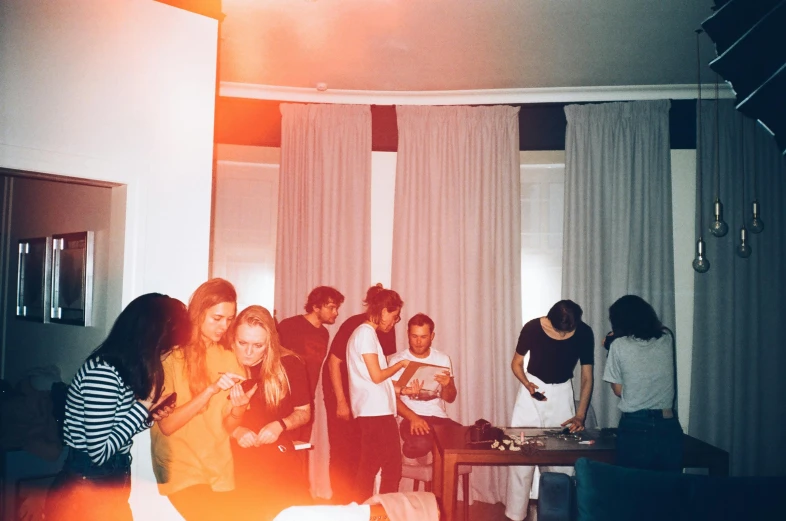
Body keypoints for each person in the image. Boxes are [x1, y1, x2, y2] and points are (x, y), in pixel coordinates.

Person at [44, 293, 190, 521]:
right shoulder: (103, 374)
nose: (163, 354)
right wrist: (143, 407)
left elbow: (114, 431)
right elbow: (99, 453)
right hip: (86, 490)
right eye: (164, 347)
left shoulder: (122, 372)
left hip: (107, 483)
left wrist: (149, 416)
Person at [150, 279, 251, 521]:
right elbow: (167, 425)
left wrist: (239, 410)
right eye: (217, 318)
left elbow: (228, 427)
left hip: (219, 467)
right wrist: (210, 390)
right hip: (180, 467)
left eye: (229, 319)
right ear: (198, 313)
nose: (224, 326)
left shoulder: (229, 358)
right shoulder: (170, 358)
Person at [505, 300, 594, 521]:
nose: (565, 336)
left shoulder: (584, 332)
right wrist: (527, 384)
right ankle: (515, 515)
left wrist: (580, 414)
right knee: (521, 455)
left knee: (560, 459)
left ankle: (555, 514)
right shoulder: (533, 328)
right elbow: (516, 363)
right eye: (560, 332)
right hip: (531, 390)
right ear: (550, 321)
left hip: (563, 392)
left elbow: (586, 377)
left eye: (568, 332)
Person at [227, 305, 312, 520]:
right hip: (235, 460)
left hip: (279, 456)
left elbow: (304, 413)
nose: (248, 352)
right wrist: (236, 432)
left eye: (257, 345)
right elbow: (207, 421)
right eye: (242, 343)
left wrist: (279, 425)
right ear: (233, 337)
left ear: (270, 343)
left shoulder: (290, 364)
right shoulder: (223, 364)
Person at [323, 284, 397, 504]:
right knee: (341, 450)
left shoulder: (387, 329)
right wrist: (342, 401)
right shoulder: (355, 326)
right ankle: (340, 502)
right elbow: (333, 363)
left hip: (366, 399)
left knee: (363, 454)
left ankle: (357, 504)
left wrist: (397, 390)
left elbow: (386, 365)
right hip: (342, 392)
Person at [347, 287, 418, 501]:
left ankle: (364, 511)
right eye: (394, 317)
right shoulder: (366, 334)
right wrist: (402, 365)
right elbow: (377, 376)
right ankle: (384, 512)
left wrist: (403, 389)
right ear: (384, 310)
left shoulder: (366, 334)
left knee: (369, 466)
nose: (394, 322)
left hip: (373, 411)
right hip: (375, 413)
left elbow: (377, 382)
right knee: (391, 467)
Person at [603, 295, 682, 472]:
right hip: (668, 424)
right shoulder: (667, 337)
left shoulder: (619, 345)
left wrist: (609, 346)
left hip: (635, 425)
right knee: (668, 490)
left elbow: (618, 390)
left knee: (634, 491)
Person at [389, 313, 460, 460]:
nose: (418, 342)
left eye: (423, 337)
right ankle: (426, 444)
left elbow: (450, 398)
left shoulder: (442, 359)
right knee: (420, 444)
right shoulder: (398, 360)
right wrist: (413, 418)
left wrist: (447, 385)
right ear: (408, 334)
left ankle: (435, 446)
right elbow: (391, 398)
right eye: (414, 336)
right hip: (411, 417)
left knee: (469, 438)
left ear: (432, 336)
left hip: (439, 417)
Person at [277, 286, 345, 440]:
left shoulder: (324, 334)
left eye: (337, 308)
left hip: (307, 401)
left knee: (301, 447)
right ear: (315, 307)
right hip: (283, 399)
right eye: (331, 308)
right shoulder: (289, 325)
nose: (336, 312)